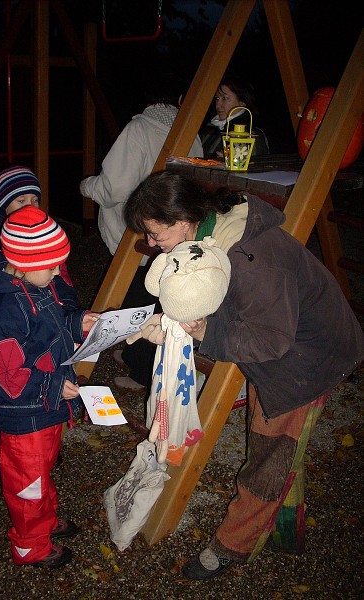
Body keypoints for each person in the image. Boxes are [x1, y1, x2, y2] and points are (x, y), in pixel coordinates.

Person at [123, 170, 363, 580]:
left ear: (182, 219)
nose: (151, 243)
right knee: (284, 449)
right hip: (288, 340)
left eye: (154, 232)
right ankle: (287, 526)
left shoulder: (251, 257)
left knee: (269, 453)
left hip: (306, 359)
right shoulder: (210, 235)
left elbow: (270, 342)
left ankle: (232, 545)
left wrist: (204, 332)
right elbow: (213, 294)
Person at [0, 205, 99, 569]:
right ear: (23, 263)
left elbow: (51, 328)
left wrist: (78, 323)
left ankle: (44, 523)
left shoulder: (33, 285)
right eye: (53, 265)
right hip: (25, 417)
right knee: (27, 483)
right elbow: (9, 377)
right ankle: (30, 546)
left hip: (44, 411)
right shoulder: (3, 312)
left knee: (41, 472)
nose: (59, 272)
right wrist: (55, 384)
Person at [80, 87, 204, 391]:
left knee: (139, 295)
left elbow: (115, 188)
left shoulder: (138, 129)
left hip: (135, 234)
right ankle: (138, 353)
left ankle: (143, 369)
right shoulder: (191, 133)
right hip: (175, 231)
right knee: (158, 293)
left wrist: (87, 186)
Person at [0, 164, 72, 304]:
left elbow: (60, 277)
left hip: (48, 310)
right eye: (21, 201)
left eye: (35, 200)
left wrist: (68, 306)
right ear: (4, 206)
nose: (30, 207)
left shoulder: (45, 236)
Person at [200, 74, 270, 160]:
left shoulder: (252, 134)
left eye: (225, 98)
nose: (218, 105)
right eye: (217, 98)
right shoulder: (209, 129)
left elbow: (258, 168)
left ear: (242, 102)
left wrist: (231, 163)